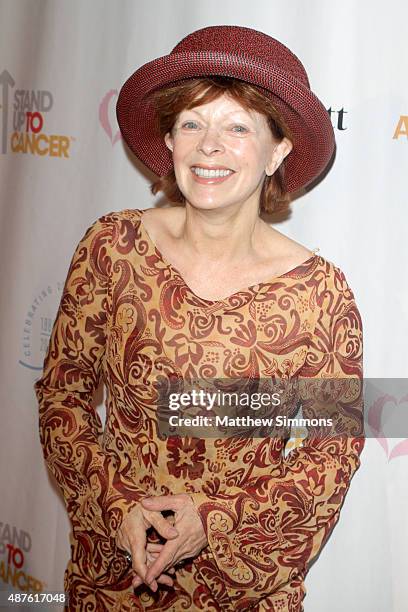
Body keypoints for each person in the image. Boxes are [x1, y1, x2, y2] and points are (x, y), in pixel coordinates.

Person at [34, 25, 365, 611]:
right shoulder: (112, 248)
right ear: (170, 139)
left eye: (238, 127)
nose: (209, 146)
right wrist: (115, 506)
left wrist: (211, 521)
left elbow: (329, 456)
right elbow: (64, 393)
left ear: (278, 149)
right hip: (113, 580)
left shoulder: (322, 295)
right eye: (192, 123)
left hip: (241, 594)